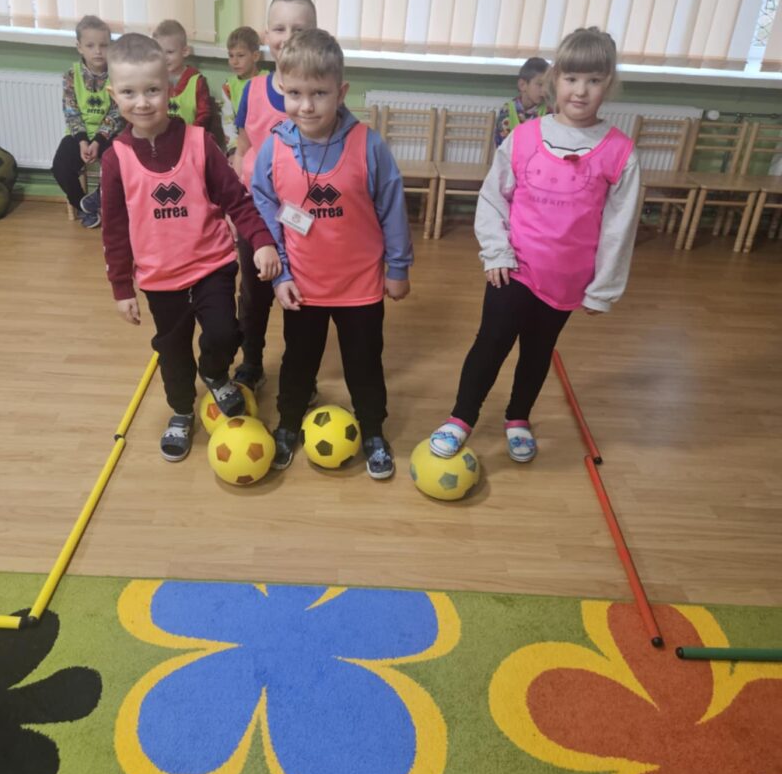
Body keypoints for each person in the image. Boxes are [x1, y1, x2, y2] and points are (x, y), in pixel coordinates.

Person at [429, 27, 640, 465]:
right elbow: (493, 197)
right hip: (514, 268)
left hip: (566, 280)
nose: (580, 90)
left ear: (609, 84)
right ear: (554, 80)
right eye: (571, 78)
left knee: (538, 352)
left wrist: (603, 288)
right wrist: (496, 251)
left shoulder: (620, 153)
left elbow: (619, 228)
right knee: (491, 342)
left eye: (594, 80)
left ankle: (517, 417)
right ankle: (461, 417)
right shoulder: (524, 137)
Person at [100, 33, 280, 462]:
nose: (142, 102)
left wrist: (261, 241)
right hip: (159, 278)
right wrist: (122, 287)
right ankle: (181, 410)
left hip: (211, 265)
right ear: (113, 94)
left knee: (224, 332)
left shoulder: (200, 143)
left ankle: (215, 373)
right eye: (129, 92)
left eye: (152, 90)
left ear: (170, 87)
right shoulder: (115, 159)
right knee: (173, 351)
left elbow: (237, 200)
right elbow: (115, 230)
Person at [251, 29, 413, 480]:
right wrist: (281, 272)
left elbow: (393, 207)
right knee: (298, 362)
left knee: (364, 364)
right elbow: (263, 203)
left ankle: (373, 430)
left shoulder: (369, 145)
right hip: (302, 285)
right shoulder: (275, 147)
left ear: (340, 92)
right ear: (282, 89)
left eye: (319, 93)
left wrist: (398, 267)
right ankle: (287, 424)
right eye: (295, 93)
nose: (306, 106)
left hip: (361, 286)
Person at [232, 0, 318, 390]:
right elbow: (242, 149)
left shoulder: (320, 97)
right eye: (279, 28)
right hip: (256, 215)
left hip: (302, 218)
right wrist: (235, 209)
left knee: (302, 296)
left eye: (299, 29)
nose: (288, 37)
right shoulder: (251, 91)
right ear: (266, 35)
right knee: (254, 294)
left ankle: (298, 372)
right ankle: (251, 361)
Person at [52, 15, 118, 228]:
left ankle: (98, 199)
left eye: (103, 45)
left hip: (108, 133)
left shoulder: (118, 75)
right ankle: (83, 206)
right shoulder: (71, 76)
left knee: (118, 162)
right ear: (79, 47)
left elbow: (116, 113)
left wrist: (98, 141)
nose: (98, 51)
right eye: (90, 45)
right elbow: (71, 112)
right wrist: (82, 141)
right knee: (60, 166)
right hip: (78, 134)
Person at [221, 26, 263, 153]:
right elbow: (228, 121)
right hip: (240, 146)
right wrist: (234, 149)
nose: (234, 62)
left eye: (240, 55)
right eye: (231, 55)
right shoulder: (229, 87)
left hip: (264, 144)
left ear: (255, 56)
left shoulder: (267, 81)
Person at [496, 56, 551, 143]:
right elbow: (502, 144)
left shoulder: (549, 111)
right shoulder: (507, 110)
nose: (545, 90)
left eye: (547, 85)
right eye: (540, 84)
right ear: (522, 85)